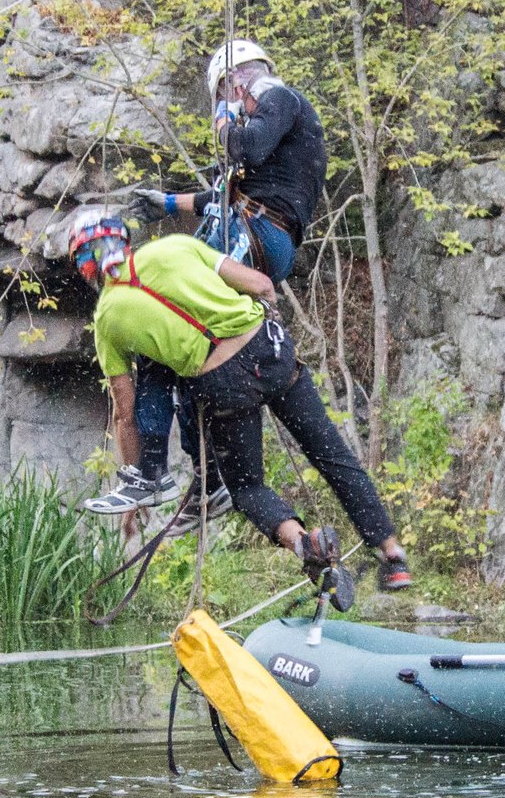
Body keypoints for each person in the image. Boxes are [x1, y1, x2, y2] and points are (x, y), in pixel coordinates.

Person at [70, 208, 411, 592]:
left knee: (247, 489)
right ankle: (393, 555)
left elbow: (125, 414)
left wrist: (133, 489)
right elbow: (262, 284)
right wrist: (272, 323)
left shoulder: (107, 321)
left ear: (85, 264)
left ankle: (305, 543)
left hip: (222, 384)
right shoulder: (177, 247)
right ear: (124, 239)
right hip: (269, 352)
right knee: (330, 453)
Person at [89, 39, 329, 515]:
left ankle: (158, 470)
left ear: (236, 79)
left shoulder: (278, 97)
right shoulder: (268, 132)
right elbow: (220, 195)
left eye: (225, 89)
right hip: (253, 229)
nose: (227, 101)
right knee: (176, 340)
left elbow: (247, 145)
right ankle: (205, 475)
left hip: (259, 236)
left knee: (159, 321)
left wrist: (225, 113)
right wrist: (167, 202)